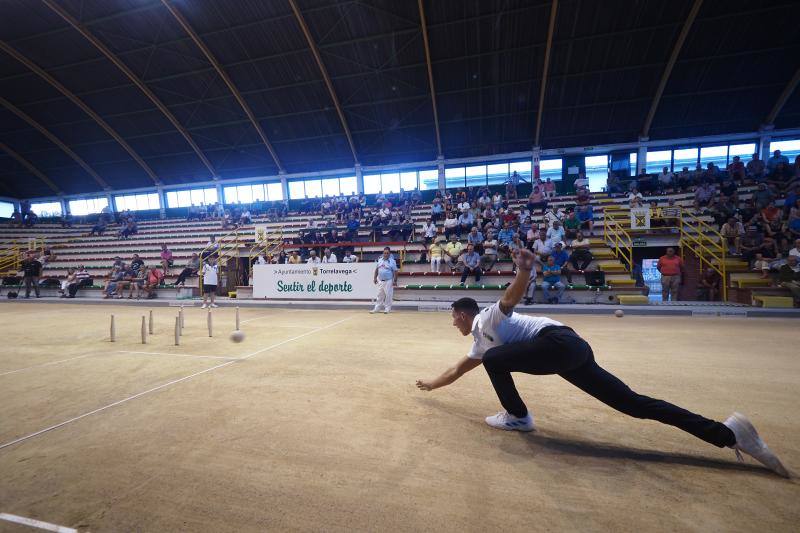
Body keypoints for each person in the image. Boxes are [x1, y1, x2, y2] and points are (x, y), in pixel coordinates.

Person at [414, 248, 789, 478]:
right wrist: (432, 384)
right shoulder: (481, 342)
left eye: (453, 317)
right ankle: (727, 434)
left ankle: (518, 417)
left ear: (464, 315)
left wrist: (525, 270)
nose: (452, 323)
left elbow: (509, 300)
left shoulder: (485, 321)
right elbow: (459, 368)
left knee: (496, 360)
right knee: (633, 404)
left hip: (558, 344)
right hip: (571, 353)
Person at [371, 247, 398, 314]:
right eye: (384, 253)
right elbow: (377, 269)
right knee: (380, 295)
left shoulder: (392, 261)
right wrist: (375, 278)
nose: (385, 254)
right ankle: (377, 308)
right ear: (383, 253)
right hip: (380, 280)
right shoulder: (380, 260)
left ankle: (387, 309)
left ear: (389, 254)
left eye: (387, 253)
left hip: (388, 281)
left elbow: (396, 271)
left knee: (388, 295)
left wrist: (395, 281)